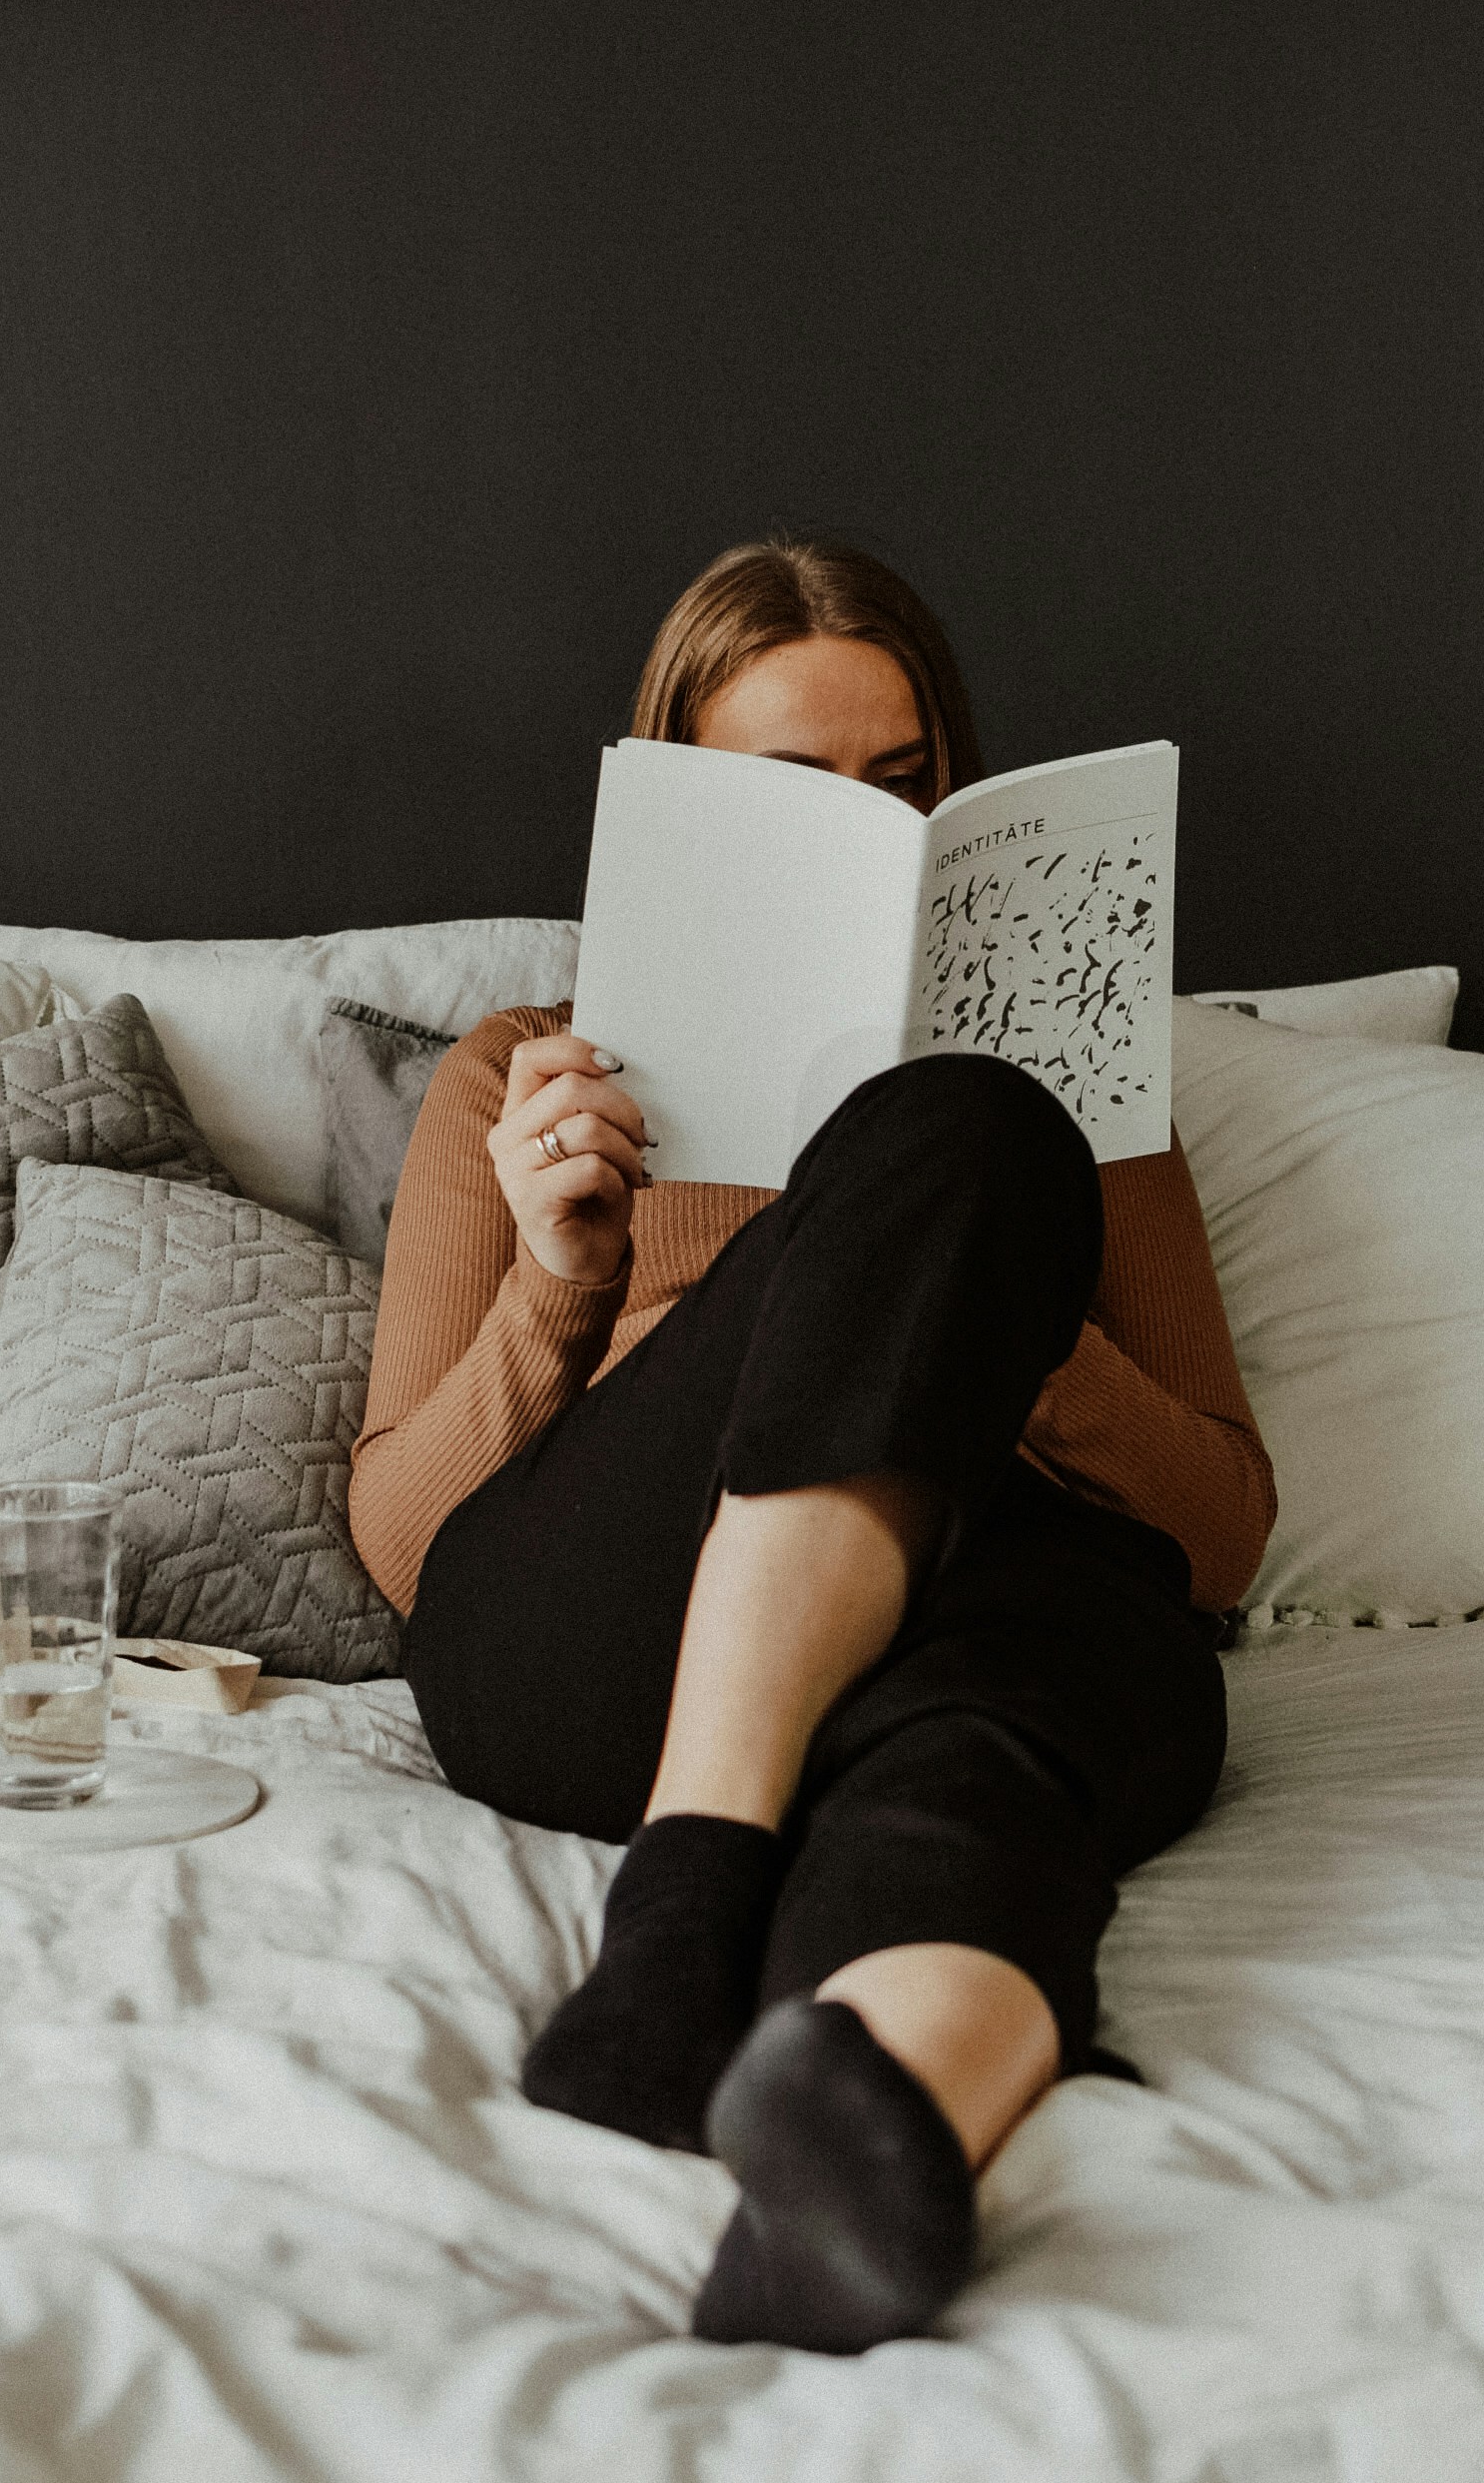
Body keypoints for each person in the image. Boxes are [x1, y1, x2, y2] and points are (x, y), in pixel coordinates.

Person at [350, 537, 1274, 2355]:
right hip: (611, 1636)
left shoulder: (1085, 1097)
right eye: (792, 794)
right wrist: (563, 1285)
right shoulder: (522, 1072)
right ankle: (687, 1897)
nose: (869, 833)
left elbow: (1223, 1529)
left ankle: (877, 2128)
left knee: (992, 1754)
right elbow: (399, 1543)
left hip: (980, 1619)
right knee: (957, 1122)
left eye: (901, 787)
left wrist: (973, 1315)